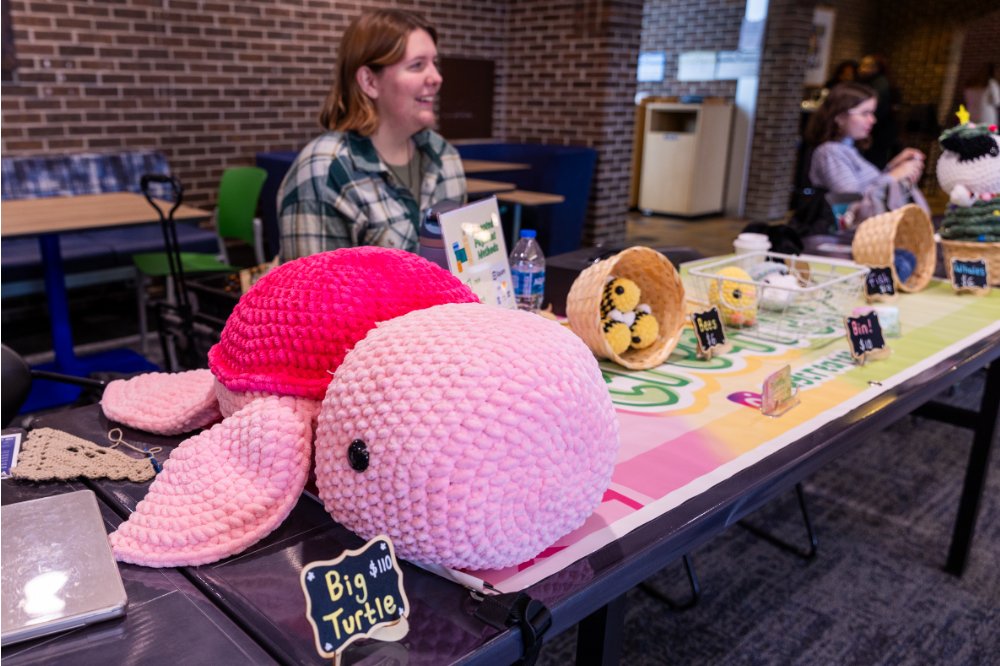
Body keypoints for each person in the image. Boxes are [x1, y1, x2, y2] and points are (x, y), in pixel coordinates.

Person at [278, 9, 466, 261]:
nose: (437, 78)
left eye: (435, 63)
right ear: (369, 82)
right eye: (417, 65)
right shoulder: (325, 172)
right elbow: (316, 298)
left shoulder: (445, 157)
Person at [805, 82, 929, 229]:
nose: (872, 120)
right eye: (865, 113)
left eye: (872, 113)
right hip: (846, 240)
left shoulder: (846, 149)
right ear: (839, 117)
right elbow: (852, 203)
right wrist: (893, 176)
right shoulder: (830, 152)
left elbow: (868, 188)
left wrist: (892, 167)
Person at [856, 54, 899, 169]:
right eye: (861, 65)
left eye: (866, 66)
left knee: (872, 163)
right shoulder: (874, 82)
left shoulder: (879, 85)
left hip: (878, 132)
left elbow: (878, 111)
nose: (861, 69)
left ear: (876, 68)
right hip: (880, 131)